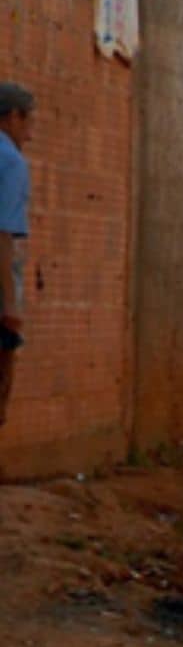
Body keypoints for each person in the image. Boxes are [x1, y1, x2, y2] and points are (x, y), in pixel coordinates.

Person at [0, 82, 33, 430]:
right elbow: (3, 233)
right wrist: (11, 303)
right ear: (11, 117)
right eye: (28, 122)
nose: (30, 134)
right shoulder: (11, 162)